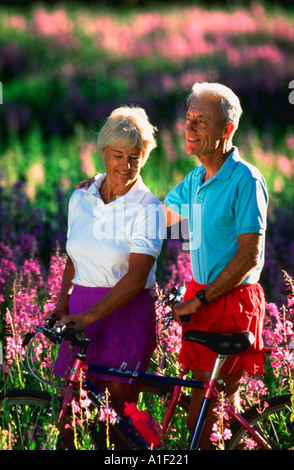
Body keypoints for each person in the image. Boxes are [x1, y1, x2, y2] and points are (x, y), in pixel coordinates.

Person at [47, 106, 166, 447]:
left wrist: (84, 317)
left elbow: (135, 277)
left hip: (124, 316)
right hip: (81, 313)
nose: (126, 166)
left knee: (115, 427)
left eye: (135, 157)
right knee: (68, 423)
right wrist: (62, 303)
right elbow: (74, 256)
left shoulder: (148, 208)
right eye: (118, 155)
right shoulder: (81, 196)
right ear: (103, 153)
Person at [162, 82, 268, 449]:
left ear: (228, 129)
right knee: (218, 411)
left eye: (201, 122)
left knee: (204, 419)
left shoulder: (245, 180)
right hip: (202, 298)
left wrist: (199, 301)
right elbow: (155, 218)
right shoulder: (195, 180)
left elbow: (248, 256)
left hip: (230, 300)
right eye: (188, 119)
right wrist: (102, 187)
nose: (189, 128)